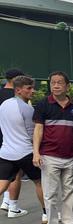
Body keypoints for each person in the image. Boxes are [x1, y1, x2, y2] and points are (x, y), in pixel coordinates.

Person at [33, 71, 73, 224]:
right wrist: (36, 153)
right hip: (49, 156)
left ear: (67, 86)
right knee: (50, 193)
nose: (55, 85)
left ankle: (68, 221)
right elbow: (38, 130)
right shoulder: (43, 105)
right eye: (53, 82)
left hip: (71, 157)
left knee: (69, 192)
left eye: (60, 82)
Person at [0, 76, 45, 218]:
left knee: (2, 185)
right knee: (40, 182)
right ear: (18, 90)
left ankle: (13, 208)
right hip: (26, 153)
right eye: (29, 88)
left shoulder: (4, 105)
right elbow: (34, 134)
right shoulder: (28, 110)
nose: (33, 91)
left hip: (6, 152)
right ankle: (47, 214)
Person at [0, 68, 26, 216]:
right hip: (13, 138)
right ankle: (12, 206)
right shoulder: (19, 96)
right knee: (16, 171)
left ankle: (6, 201)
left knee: (4, 172)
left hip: (3, 138)